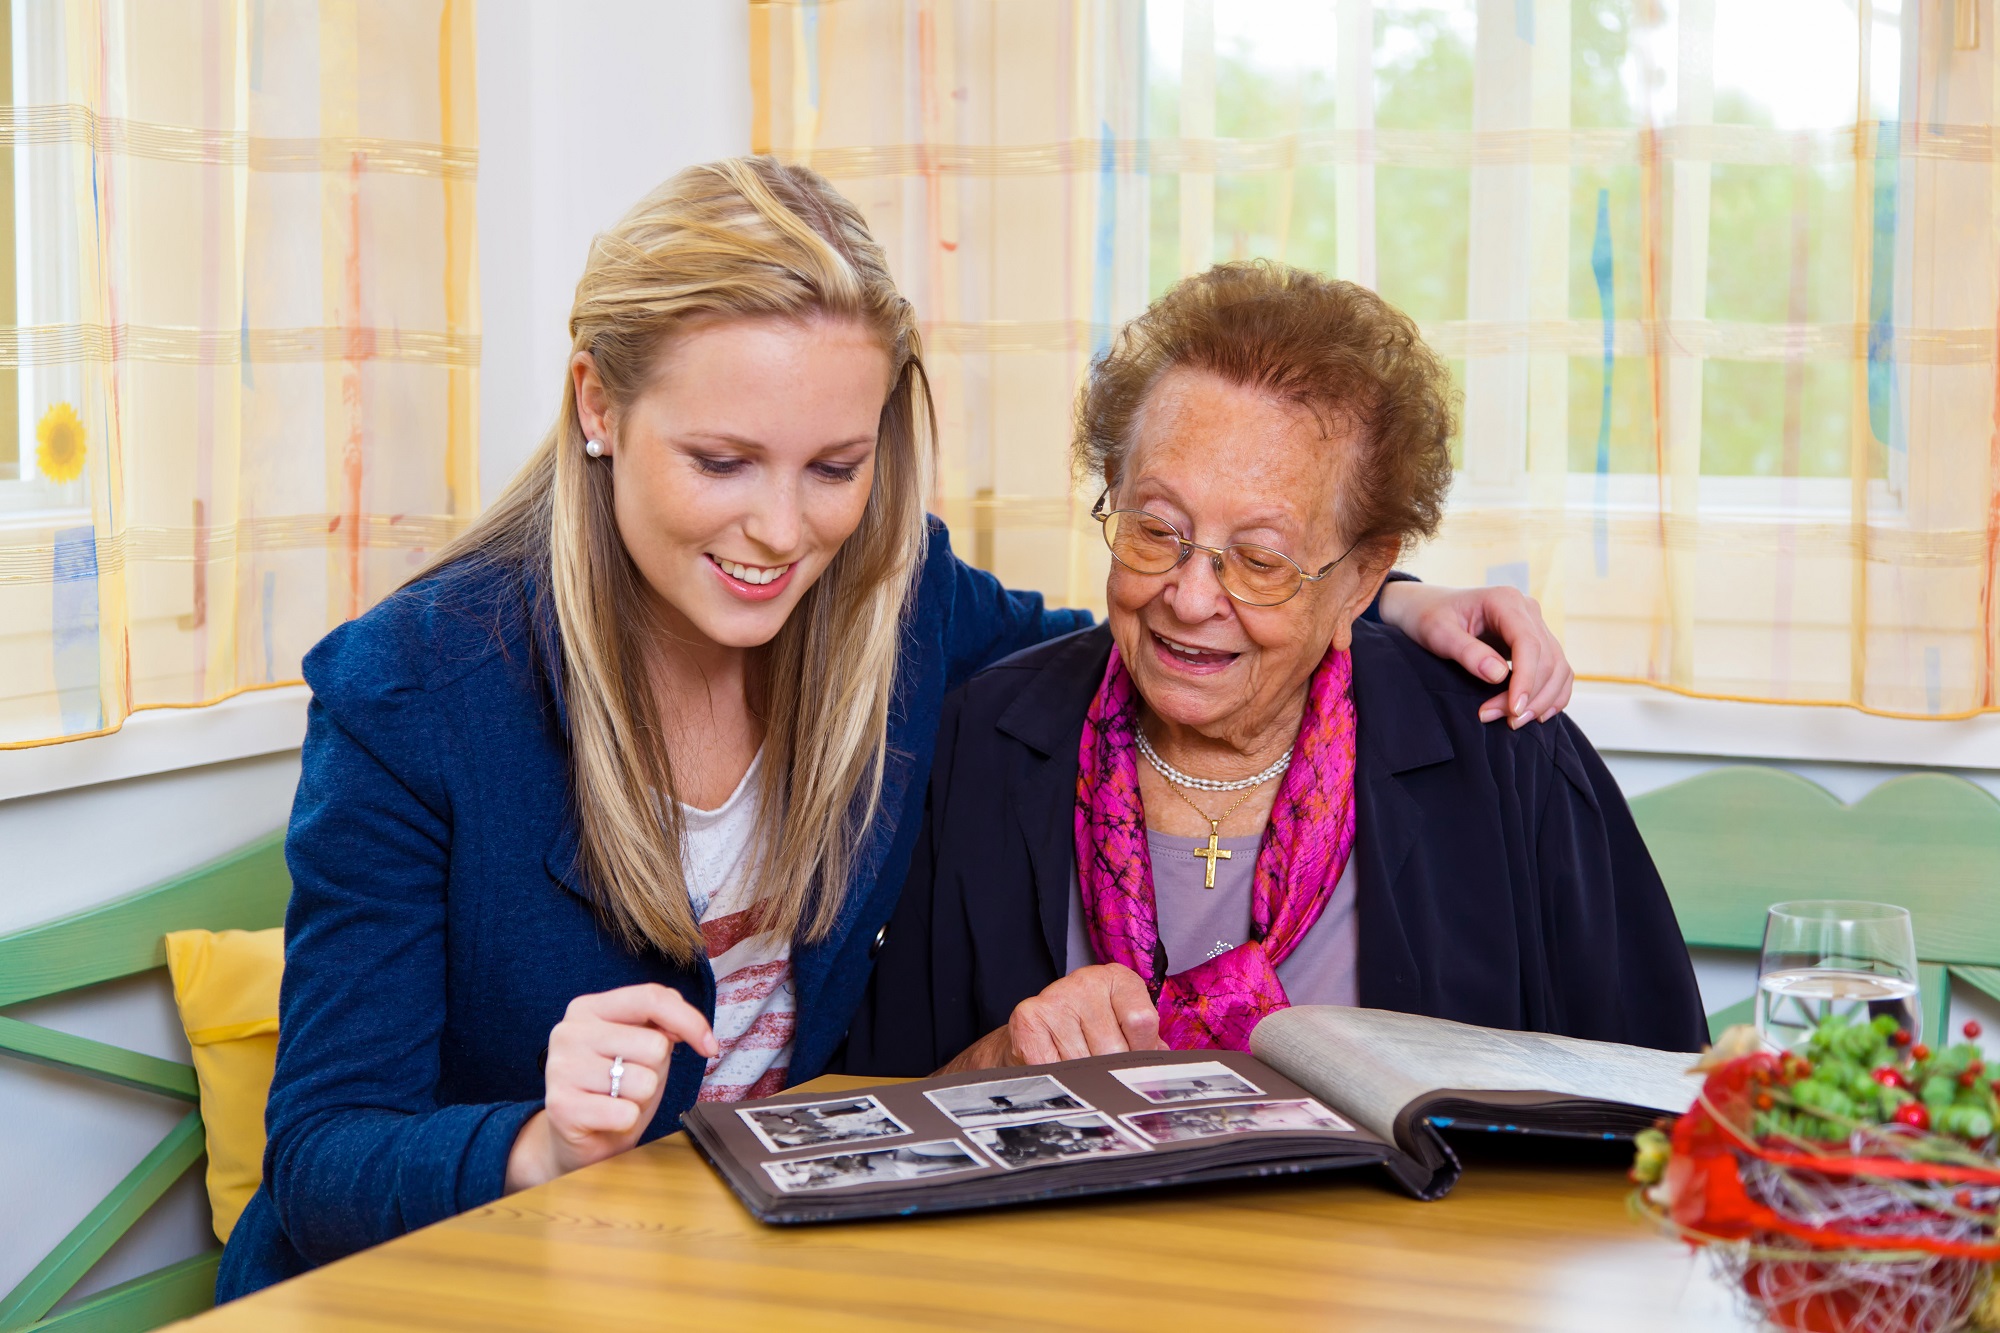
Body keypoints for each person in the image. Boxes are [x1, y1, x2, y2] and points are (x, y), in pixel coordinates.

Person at [218, 159, 1576, 1298]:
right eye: (720, 461)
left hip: (745, 1278)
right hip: (468, 1289)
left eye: (836, 467)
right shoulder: (415, 690)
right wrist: (540, 1143)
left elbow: (1150, 626)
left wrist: (1382, 595)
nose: (781, 530)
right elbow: (324, 1158)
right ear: (596, 403)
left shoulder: (894, 603)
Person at [845, 261, 1707, 1078]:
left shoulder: (1505, 753)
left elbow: (1660, 1110)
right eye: (1155, 528)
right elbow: (867, 1116)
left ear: (1363, 576)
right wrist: (999, 1064)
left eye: (1259, 559)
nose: (1188, 597)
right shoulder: (984, 746)